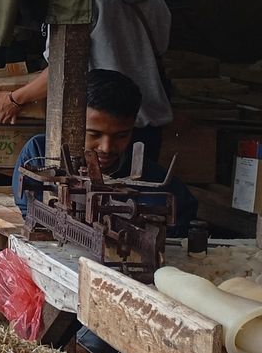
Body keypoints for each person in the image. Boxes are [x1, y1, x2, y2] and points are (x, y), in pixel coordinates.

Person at [0, 0, 173, 162]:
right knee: (138, 191)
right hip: (142, 127)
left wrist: (15, 99)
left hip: (97, 130)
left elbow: (64, 67)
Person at [13, 69, 197, 235]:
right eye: (94, 134)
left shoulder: (156, 184)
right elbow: (28, 209)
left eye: (121, 135)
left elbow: (182, 220)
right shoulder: (37, 153)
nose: (107, 147)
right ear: (73, 124)